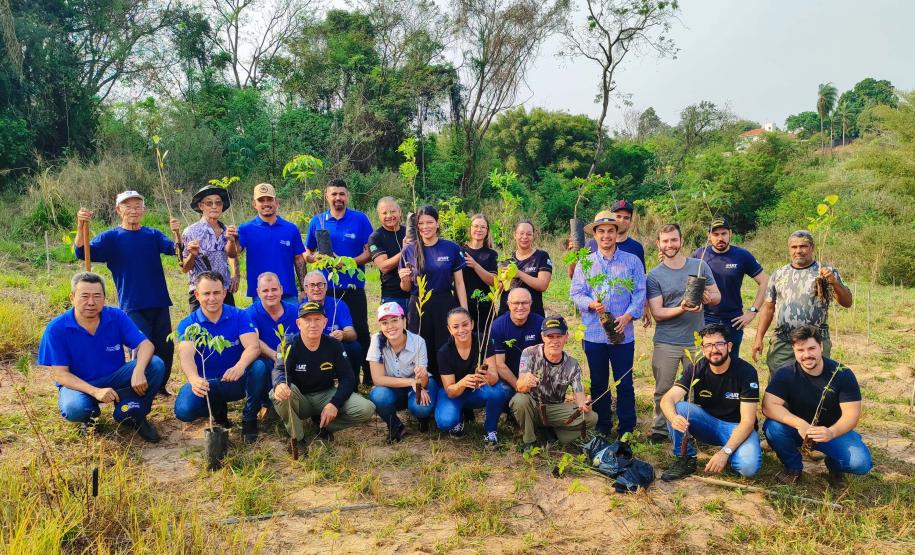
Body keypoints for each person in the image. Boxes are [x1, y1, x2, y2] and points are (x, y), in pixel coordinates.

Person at [75, 191, 184, 396]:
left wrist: (177, 233)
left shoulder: (153, 234)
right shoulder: (111, 238)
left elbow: (176, 250)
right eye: (127, 206)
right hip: (132, 303)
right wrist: (81, 227)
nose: (133, 210)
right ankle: (139, 386)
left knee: (165, 347)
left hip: (159, 301)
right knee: (142, 347)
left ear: (144, 210)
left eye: (137, 206)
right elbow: (82, 251)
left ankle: (159, 386)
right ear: (118, 210)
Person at [38, 272, 164, 442]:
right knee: (74, 407)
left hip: (116, 377)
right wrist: (95, 392)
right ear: (72, 297)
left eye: (97, 296)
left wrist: (139, 370)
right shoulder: (56, 328)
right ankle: (89, 416)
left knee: (155, 365)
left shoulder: (116, 316)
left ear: (104, 298)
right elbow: (60, 374)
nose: (91, 302)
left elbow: (146, 345)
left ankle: (136, 413)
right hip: (79, 384)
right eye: (84, 296)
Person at [762, 325, 872, 486]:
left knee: (860, 464)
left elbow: (852, 415)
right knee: (773, 428)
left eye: (812, 348)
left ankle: (834, 467)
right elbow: (768, 406)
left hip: (831, 430)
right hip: (797, 430)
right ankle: (793, 467)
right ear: (794, 350)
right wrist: (799, 424)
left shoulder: (841, 374)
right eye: (800, 350)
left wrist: (831, 432)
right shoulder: (786, 373)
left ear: (821, 347)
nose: (807, 355)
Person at [570, 211, 646, 439]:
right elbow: (576, 293)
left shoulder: (631, 261)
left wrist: (628, 316)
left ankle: (627, 427)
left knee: (624, 382)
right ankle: (603, 425)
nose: (606, 236)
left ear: (617, 233)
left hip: (623, 334)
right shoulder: (586, 263)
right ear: (594, 235)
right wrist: (591, 304)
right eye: (601, 231)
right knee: (599, 382)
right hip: (594, 334)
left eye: (610, 231)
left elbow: (640, 292)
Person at [646, 224, 721, 443]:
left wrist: (708, 297)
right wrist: (683, 307)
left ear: (681, 241)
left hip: (697, 341)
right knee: (663, 387)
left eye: (674, 240)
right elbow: (657, 312)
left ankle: (695, 428)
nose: (670, 245)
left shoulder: (699, 266)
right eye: (665, 241)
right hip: (666, 341)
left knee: (697, 389)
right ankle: (660, 428)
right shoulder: (654, 275)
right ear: (659, 244)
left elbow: (717, 296)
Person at [173, 272, 269, 443]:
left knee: (259, 366)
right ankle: (216, 410)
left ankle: (249, 417)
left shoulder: (239, 316)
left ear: (224, 293)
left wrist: (240, 366)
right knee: (184, 411)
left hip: (234, 380)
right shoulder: (188, 324)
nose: (212, 298)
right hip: (206, 384)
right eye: (206, 293)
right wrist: (194, 379)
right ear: (197, 294)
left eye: (216, 293)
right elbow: (186, 357)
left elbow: (253, 347)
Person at [659, 324, 762, 481]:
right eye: (708, 345)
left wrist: (724, 453)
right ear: (702, 348)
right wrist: (673, 418)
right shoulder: (696, 368)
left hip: (737, 427)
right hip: (708, 423)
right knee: (678, 408)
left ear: (729, 346)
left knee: (748, 468)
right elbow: (667, 399)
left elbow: (748, 422)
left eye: (719, 344)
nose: (714, 350)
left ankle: (731, 452)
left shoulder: (746, 372)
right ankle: (686, 459)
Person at [270, 301, 375, 454]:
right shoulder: (288, 344)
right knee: (278, 392)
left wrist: (334, 404)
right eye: (307, 320)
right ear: (298, 323)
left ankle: (323, 425)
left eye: (317, 319)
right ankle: (297, 438)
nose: (312, 324)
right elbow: (279, 370)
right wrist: (280, 384)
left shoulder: (334, 345)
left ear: (325, 322)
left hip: (325, 394)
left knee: (366, 408)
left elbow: (348, 378)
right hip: (299, 398)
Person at [304, 179, 374, 386]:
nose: (338, 198)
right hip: (324, 288)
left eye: (341, 194)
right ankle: (331, 374)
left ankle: (368, 372)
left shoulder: (360, 219)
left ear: (347, 196)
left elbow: (370, 252)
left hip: (353, 285)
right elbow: (308, 252)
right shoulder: (318, 221)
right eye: (334, 194)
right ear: (327, 196)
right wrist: (315, 258)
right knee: (327, 329)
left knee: (359, 329)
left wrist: (347, 263)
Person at [752, 230, 853, 373]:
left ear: (812, 247)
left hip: (816, 341)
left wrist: (835, 283)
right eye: (794, 247)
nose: (798, 251)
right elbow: (768, 308)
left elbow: (847, 302)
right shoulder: (779, 274)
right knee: (780, 381)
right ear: (789, 249)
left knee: (816, 382)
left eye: (803, 246)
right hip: (784, 341)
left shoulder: (825, 271)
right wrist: (758, 338)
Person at [398, 205, 468, 375]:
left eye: (430, 222)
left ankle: (445, 381)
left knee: (445, 344)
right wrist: (404, 279)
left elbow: (459, 283)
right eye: (421, 223)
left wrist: (464, 311)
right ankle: (423, 383)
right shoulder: (409, 250)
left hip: (444, 301)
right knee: (420, 343)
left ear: (437, 224)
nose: (425, 227)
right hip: (419, 304)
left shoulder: (451, 248)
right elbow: (406, 288)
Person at [509, 315, 597, 451]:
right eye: (550, 337)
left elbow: (579, 395)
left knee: (591, 417)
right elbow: (519, 386)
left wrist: (584, 405)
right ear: (543, 337)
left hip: (554, 410)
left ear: (566, 337)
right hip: (533, 407)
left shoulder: (572, 364)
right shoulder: (529, 353)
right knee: (520, 400)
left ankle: (555, 434)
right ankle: (529, 441)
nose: (555, 341)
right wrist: (526, 382)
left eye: (559, 336)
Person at [567, 199, 651, 329]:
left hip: (623, 321)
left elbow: (640, 285)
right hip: (594, 323)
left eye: (626, 218)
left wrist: (643, 307)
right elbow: (575, 279)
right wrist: (573, 254)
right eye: (618, 216)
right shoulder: (590, 246)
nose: (622, 220)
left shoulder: (635, 249)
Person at [690, 217, 767, 356]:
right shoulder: (699, 255)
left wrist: (752, 311)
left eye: (724, 233)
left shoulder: (742, 255)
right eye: (716, 234)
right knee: (705, 363)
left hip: (733, 320)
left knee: (731, 364)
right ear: (709, 236)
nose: (720, 238)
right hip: (705, 318)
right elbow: (688, 283)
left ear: (730, 233)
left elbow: (765, 282)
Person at [435, 308, 505, 447]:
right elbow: (450, 390)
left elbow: (494, 378)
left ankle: (490, 430)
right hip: (454, 393)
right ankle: (458, 418)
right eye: (455, 327)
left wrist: (487, 375)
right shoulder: (444, 352)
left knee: (497, 392)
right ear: (449, 329)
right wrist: (462, 383)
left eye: (465, 324)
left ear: (472, 324)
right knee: (445, 422)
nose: (461, 330)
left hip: (477, 391)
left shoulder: (483, 340)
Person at [226, 182, 306, 304]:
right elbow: (234, 253)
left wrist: (304, 289)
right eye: (261, 200)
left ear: (276, 202)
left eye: (269, 199)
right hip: (260, 294)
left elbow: (299, 259)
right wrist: (231, 241)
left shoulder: (291, 229)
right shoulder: (245, 229)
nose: (266, 204)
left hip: (288, 293)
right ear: (254, 204)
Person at [367, 302, 434, 442]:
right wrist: (410, 381)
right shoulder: (376, 340)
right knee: (378, 395)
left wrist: (421, 379)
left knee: (421, 408)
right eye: (385, 323)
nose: (390, 326)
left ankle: (423, 417)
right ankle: (396, 426)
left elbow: (423, 380)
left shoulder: (418, 341)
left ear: (404, 320)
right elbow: (378, 379)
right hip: (395, 387)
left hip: (418, 385)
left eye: (395, 320)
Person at [246, 272, 298, 415]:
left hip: (292, 361)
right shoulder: (249, 313)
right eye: (265, 290)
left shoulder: (296, 311)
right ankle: (258, 406)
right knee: (259, 367)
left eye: (274, 289)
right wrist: (274, 355)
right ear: (258, 292)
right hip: (267, 360)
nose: (270, 294)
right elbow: (252, 339)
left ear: (281, 289)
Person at [181, 184, 240, 310]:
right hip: (202, 293)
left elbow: (232, 255)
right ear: (201, 206)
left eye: (218, 203)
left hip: (224, 290)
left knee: (229, 327)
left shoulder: (227, 230)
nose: (214, 206)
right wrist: (192, 254)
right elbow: (185, 268)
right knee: (202, 329)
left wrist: (231, 241)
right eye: (209, 203)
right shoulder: (190, 232)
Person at [301, 270, 361, 371]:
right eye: (312, 285)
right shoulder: (300, 308)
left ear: (326, 287)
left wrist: (343, 334)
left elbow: (352, 334)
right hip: (309, 348)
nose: (316, 289)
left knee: (354, 347)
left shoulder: (339, 304)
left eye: (320, 285)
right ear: (305, 289)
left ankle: (353, 383)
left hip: (333, 346)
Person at [491, 288, 544, 401]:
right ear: (509, 304)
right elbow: (500, 364)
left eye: (524, 303)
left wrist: (532, 380)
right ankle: (506, 410)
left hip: (533, 375)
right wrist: (519, 386)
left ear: (530, 304)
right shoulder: (498, 326)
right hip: (509, 376)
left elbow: (546, 356)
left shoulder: (540, 323)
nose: (520, 307)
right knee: (500, 393)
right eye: (516, 303)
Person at [499, 221, 552, 317]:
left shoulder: (541, 256)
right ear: (515, 235)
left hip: (533, 314)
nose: (525, 237)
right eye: (521, 233)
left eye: (529, 234)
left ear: (533, 236)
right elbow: (500, 288)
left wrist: (519, 273)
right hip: (508, 314)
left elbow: (543, 285)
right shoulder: (507, 260)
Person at [368, 197, 410, 311]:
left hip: (416, 294)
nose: (389, 216)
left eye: (393, 211)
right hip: (392, 297)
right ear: (379, 215)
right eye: (384, 213)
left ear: (400, 211)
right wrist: (405, 250)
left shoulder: (410, 233)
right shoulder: (376, 237)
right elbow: (384, 266)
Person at [462, 213, 499, 333]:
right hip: (462, 303)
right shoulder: (460, 251)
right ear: (470, 228)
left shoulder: (491, 254)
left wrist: (475, 265)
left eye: (483, 227)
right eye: (476, 226)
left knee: (484, 342)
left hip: (484, 306)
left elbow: (493, 281)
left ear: (487, 231)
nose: (479, 229)